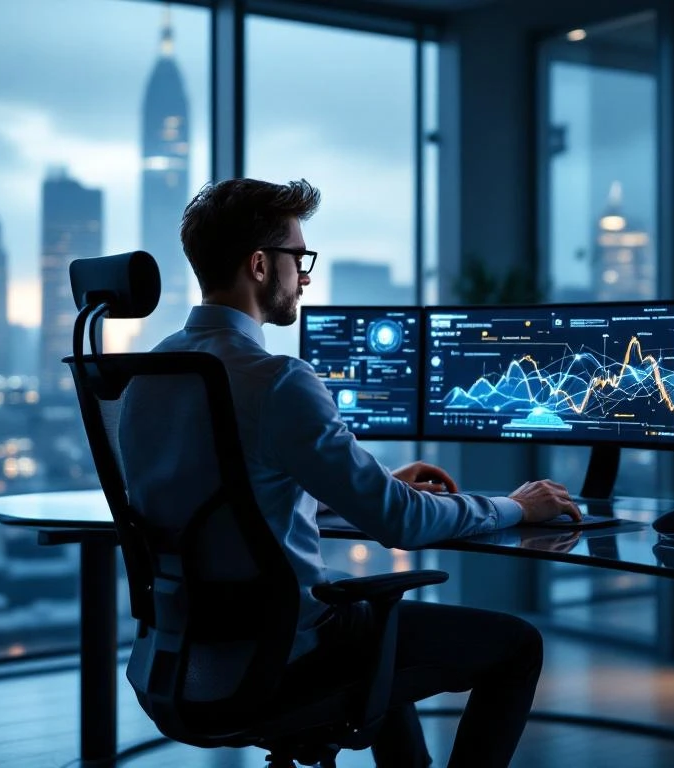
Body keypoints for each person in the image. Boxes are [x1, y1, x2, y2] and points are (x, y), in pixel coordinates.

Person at [119, 177, 582, 768]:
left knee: (375, 630)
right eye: (298, 258)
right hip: (283, 655)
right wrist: (518, 506)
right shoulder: (277, 380)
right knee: (516, 646)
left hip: (185, 660)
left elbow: (232, 497)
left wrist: (371, 483)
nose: (304, 276)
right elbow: (400, 523)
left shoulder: (151, 373)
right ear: (259, 265)